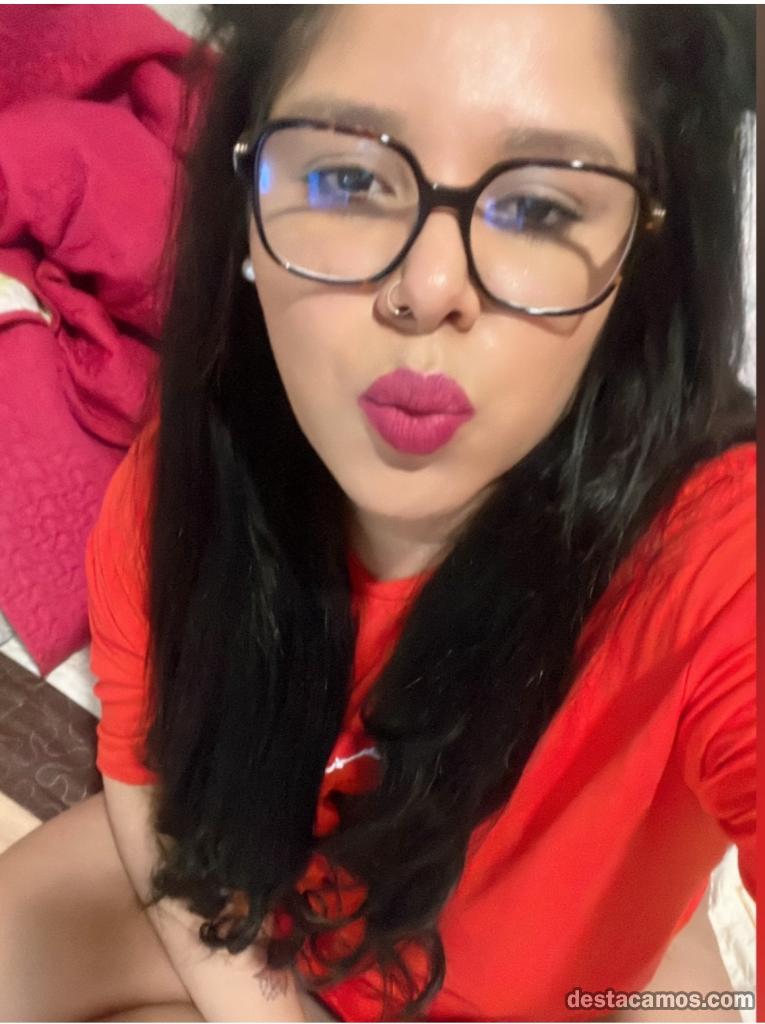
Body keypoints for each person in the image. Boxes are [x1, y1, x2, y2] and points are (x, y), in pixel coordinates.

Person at [0, 5, 755, 1022]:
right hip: (251, 891)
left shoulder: (718, 566)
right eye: (348, 180)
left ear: (641, 257)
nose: (426, 288)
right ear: (245, 204)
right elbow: (149, 781)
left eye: (540, 206)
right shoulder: (185, 491)